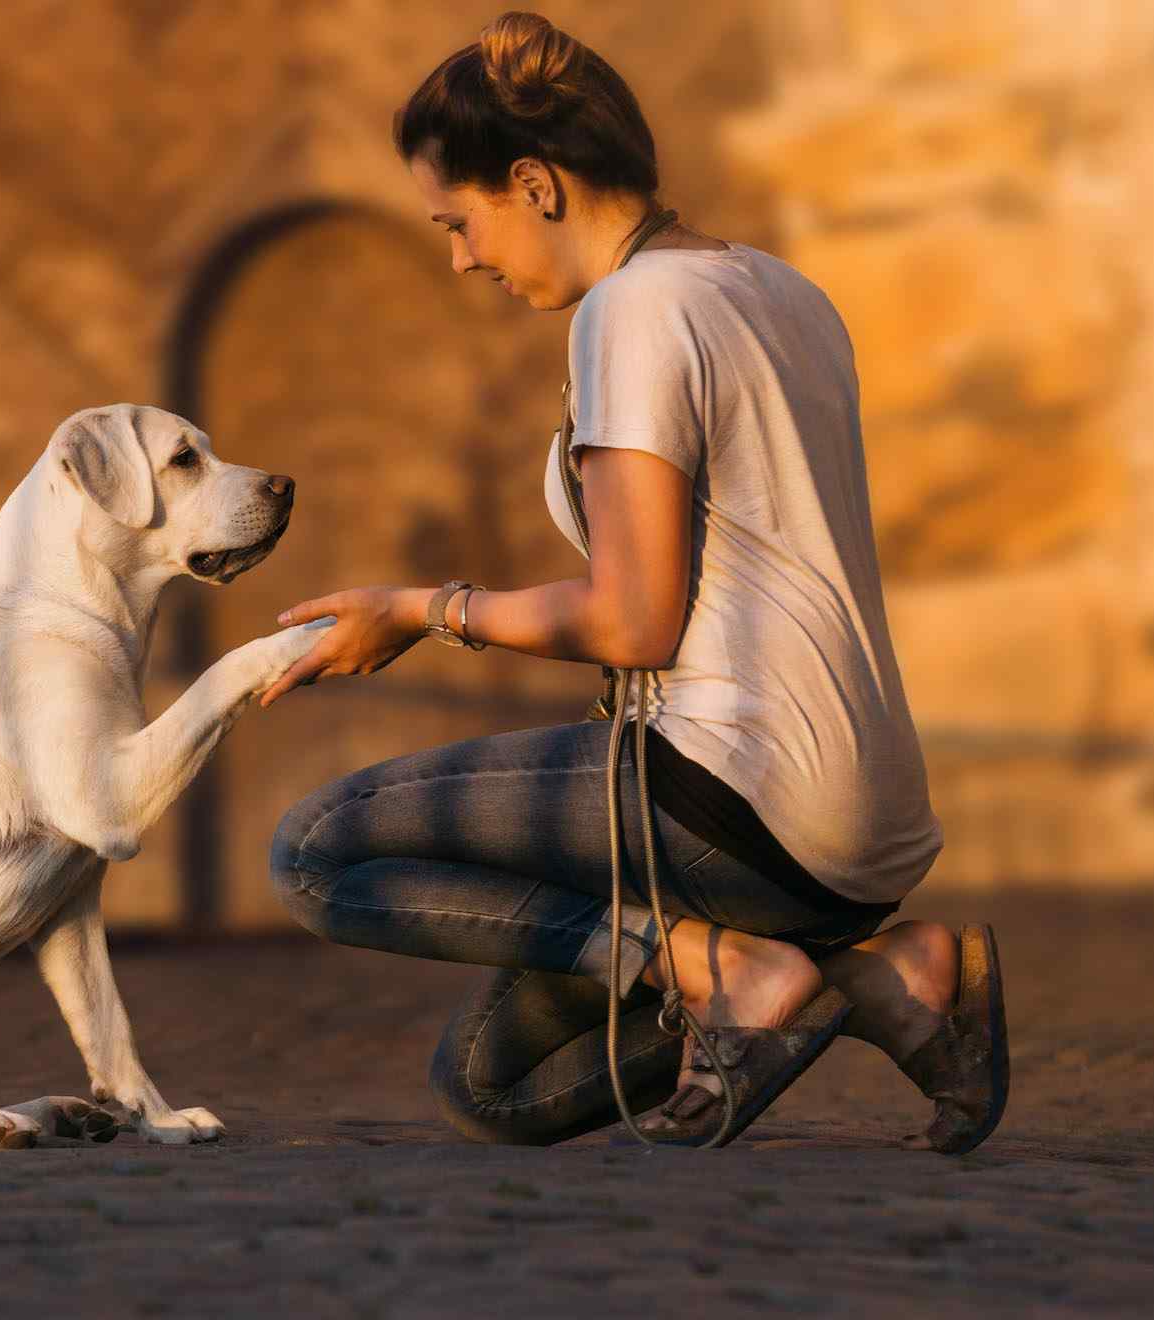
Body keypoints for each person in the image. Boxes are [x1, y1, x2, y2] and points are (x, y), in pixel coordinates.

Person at [262, 11, 1007, 1149]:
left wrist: (421, 611)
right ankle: (886, 976)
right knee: (492, 1085)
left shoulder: (633, 312)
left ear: (535, 183)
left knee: (315, 851)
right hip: (869, 827)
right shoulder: (780, 290)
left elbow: (632, 618)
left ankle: (715, 965)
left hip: (736, 791)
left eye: (460, 222)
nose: (460, 258)